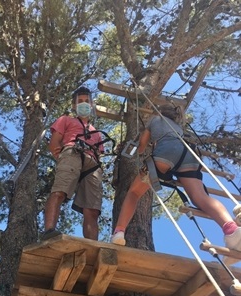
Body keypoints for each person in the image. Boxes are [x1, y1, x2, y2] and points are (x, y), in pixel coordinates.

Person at [111, 103, 241, 266]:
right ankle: (232, 232)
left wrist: (133, 147)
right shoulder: (178, 128)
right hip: (187, 152)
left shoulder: (154, 119)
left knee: (134, 193)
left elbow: (141, 147)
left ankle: (119, 232)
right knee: (200, 197)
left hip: (166, 151)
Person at [42, 86, 104, 240]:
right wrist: (64, 156)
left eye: (87, 101)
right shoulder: (65, 120)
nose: (84, 104)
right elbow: (54, 143)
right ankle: (49, 231)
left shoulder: (96, 131)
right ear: (74, 106)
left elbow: (100, 153)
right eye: (80, 101)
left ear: (91, 105)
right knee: (59, 191)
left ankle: (92, 244)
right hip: (72, 152)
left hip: (93, 164)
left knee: (92, 208)